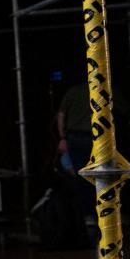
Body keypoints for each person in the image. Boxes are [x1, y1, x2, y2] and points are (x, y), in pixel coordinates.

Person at [55, 80, 97, 225]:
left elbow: (61, 114)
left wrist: (62, 137)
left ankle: (86, 213)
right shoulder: (101, 89)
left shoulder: (73, 91)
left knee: (81, 176)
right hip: (93, 136)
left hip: (74, 136)